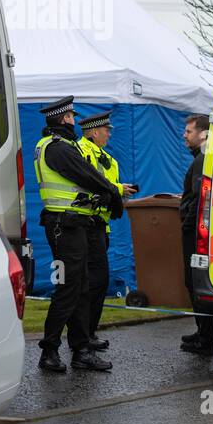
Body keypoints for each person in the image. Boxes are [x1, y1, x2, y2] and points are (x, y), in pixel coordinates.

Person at [34, 96, 124, 373]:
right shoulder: (57, 148)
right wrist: (112, 193)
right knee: (70, 288)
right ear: (65, 119)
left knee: (80, 287)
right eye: (72, 117)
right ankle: (50, 350)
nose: (75, 121)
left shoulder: (56, 145)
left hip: (73, 225)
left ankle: (80, 349)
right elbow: (87, 175)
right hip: (65, 226)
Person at [77, 111, 137, 349]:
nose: (110, 133)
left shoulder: (109, 159)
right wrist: (117, 189)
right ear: (94, 132)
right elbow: (89, 183)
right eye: (106, 130)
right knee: (94, 281)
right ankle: (84, 335)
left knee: (99, 282)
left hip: (103, 226)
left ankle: (89, 332)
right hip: (86, 224)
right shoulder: (80, 152)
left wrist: (119, 192)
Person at [179, 112, 213, 355]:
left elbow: (198, 199)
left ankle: (206, 339)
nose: (185, 135)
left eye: (189, 131)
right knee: (193, 282)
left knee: (194, 282)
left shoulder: (202, 160)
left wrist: (187, 225)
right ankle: (203, 332)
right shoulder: (203, 158)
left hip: (195, 233)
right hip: (197, 230)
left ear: (203, 134)